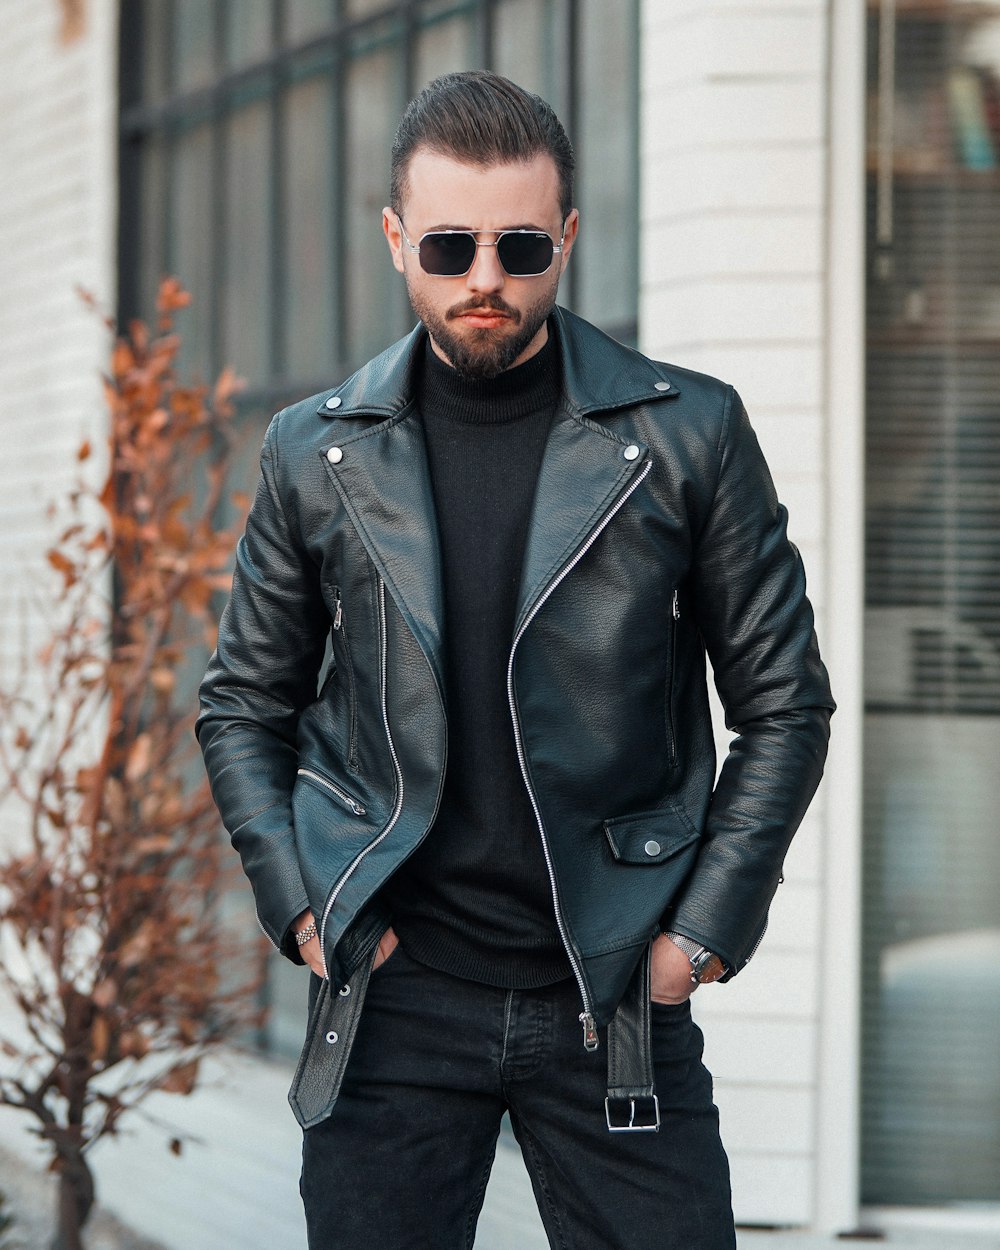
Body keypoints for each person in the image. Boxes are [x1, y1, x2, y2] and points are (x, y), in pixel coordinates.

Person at [197, 70, 834, 1250]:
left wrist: (696, 936)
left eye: (519, 243)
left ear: (567, 237)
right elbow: (243, 703)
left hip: (613, 996)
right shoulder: (313, 451)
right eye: (447, 243)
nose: (483, 277)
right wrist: (300, 906)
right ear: (397, 239)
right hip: (394, 998)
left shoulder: (685, 433)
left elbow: (786, 703)